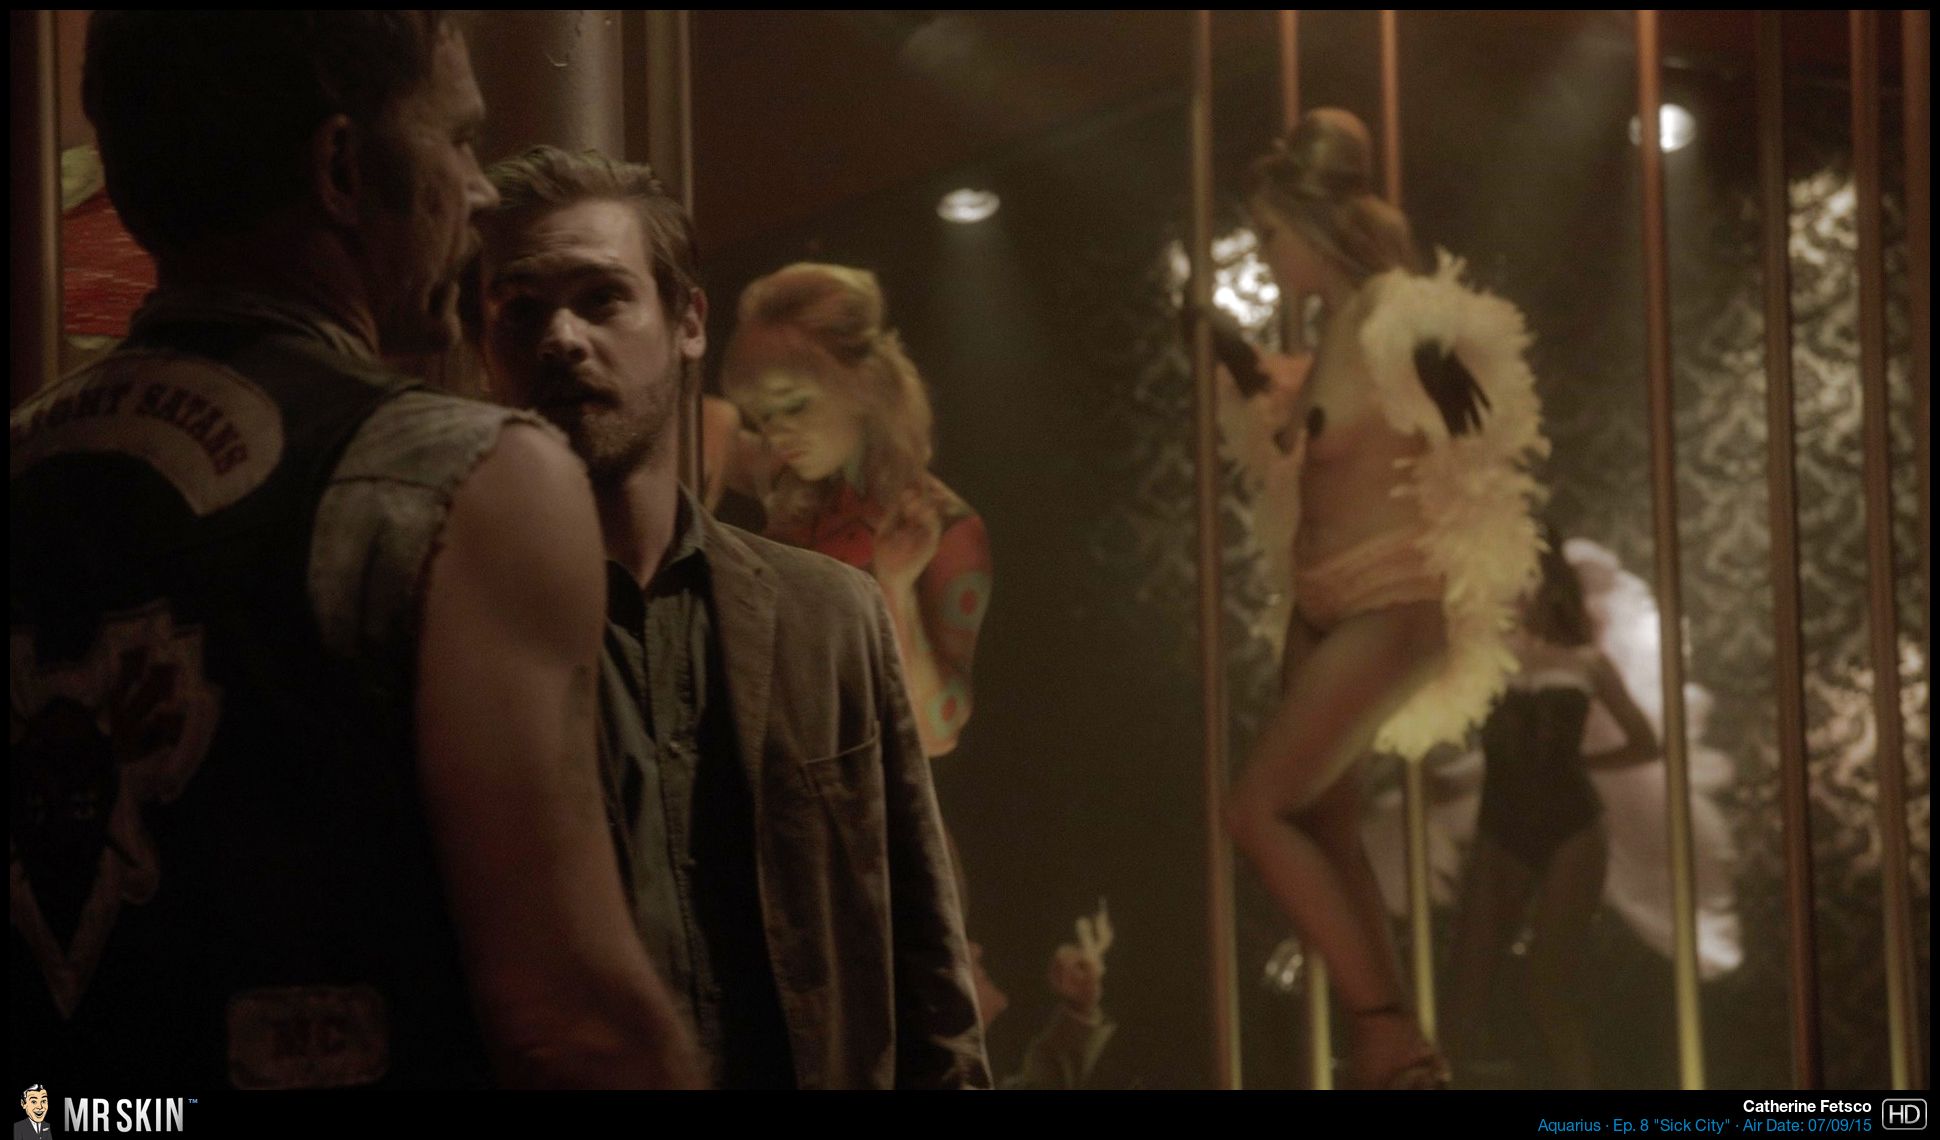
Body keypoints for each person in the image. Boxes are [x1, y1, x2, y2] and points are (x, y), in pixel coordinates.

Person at [11, 12, 701, 1089]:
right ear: (342, 168)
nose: (479, 191)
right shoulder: (472, 478)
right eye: (457, 140)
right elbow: (570, 1030)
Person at [471, 145, 990, 1089]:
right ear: (484, 344)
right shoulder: (449, 634)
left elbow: (927, 970)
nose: (561, 338)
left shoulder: (831, 616)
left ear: (688, 322)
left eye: (602, 297)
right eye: (521, 308)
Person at [1213, 108, 1547, 1089]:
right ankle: (1396, 1053)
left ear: (1313, 224)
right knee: (1318, 825)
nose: (1263, 255)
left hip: (1387, 605)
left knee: (1256, 813)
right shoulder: (1336, 326)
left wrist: (1443, 357)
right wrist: (1242, 371)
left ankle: (1386, 1033)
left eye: (1269, 234)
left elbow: (1463, 369)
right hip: (1320, 608)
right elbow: (1311, 443)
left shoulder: (1396, 311)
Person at [712, 264, 992, 760]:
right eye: (763, 414)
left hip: (865, 794)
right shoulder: (787, 480)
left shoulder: (945, 528)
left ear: (863, 388)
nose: (775, 432)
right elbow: (696, 427)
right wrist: (722, 418)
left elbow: (935, 735)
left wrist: (895, 589)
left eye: (794, 405)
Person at [1442, 537, 1659, 1087]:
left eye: (1531, 576)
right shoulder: (1485, 655)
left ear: (1553, 584)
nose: (1522, 589)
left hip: (1572, 825)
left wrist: (1581, 761)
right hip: (1501, 824)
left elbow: (1644, 742)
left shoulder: (1587, 661)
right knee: (1466, 986)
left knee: (1548, 987)